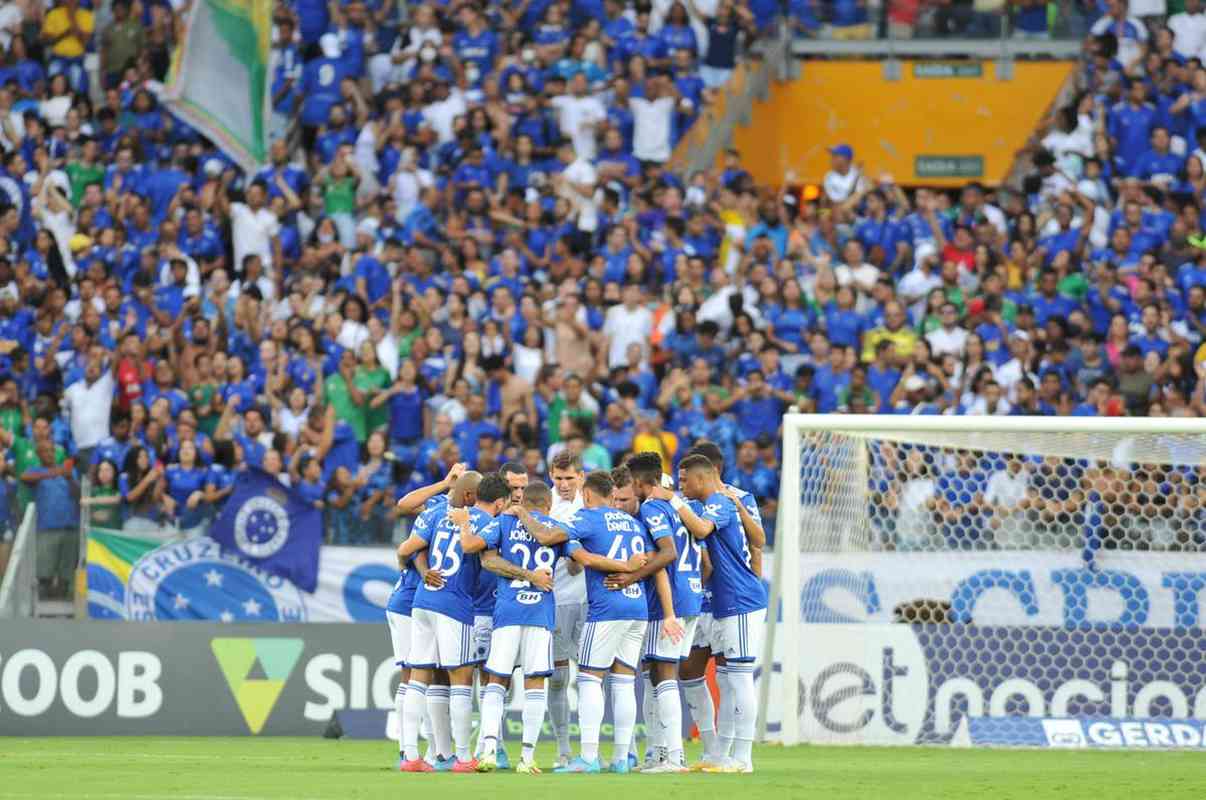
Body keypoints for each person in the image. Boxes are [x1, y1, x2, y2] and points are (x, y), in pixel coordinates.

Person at [525, 470, 664, 773]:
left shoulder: (587, 517)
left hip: (606, 608)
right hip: (637, 606)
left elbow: (549, 536)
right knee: (625, 682)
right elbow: (653, 558)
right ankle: (621, 758)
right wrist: (630, 571)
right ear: (612, 494)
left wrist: (522, 513)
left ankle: (588, 757)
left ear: (586, 495)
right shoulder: (633, 522)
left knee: (590, 679)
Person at [397, 471, 510, 773]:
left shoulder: (437, 513)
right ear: (498, 502)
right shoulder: (488, 523)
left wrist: (419, 571)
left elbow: (408, 549)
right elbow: (487, 559)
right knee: (461, 680)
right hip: (454, 604)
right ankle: (462, 757)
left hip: (423, 600)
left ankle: (410, 755)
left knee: (418, 676)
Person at [673, 453, 768, 773]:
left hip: (740, 600)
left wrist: (671, 502)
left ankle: (743, 758)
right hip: (723, 601)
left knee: (740, 678)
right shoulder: (716, 502)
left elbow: (703, 531)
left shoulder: (723, 502)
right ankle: (719, 754)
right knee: (728, 680)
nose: (680, 485)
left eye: (684, 480)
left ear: (703, 477)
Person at [611, 451, 700, 772]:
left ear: (637, 482)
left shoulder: (651, 508)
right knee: (654, 673)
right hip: (687, 597)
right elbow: (704, 560)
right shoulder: (673, 507)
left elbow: (668, 553)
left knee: (663, 675)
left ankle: (673, 755)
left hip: (670, 604)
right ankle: (659, 752)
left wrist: (631, 577)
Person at [475, 481, 565, 774]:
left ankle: (488, 751)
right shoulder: (557, 528)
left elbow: (487, 559)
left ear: (522, 501)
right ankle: (527, 758)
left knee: (496, 681)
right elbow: (578, 562)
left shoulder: (503, 521)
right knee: (535, 683)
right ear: (548, 504)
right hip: (540, 614)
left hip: (508, 611)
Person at [545, 449, 586, 766]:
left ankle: (591, 750)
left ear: (581, 477)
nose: (563, 484)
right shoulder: (544, 504)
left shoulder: (593, 504)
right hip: (555, 601)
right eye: (558, 478)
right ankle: (563, 749)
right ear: (550, 476)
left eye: (569, 478)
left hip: (589, 602)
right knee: (558, 678)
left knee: (591, 677)